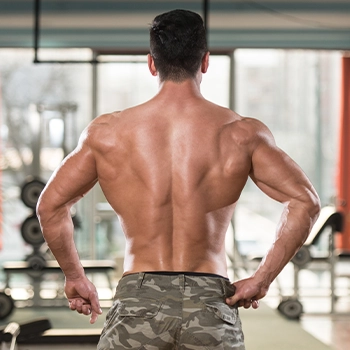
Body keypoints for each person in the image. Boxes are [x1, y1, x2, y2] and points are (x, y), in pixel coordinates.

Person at [36, 9, 321, 350]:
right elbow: (305, 201)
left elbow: (50, 206)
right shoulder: (242, 134)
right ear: (205, 61)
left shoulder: (107, 134)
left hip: (137, 304)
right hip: (211, 305)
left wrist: (75, 276)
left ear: (151, 64)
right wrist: (262, 279)